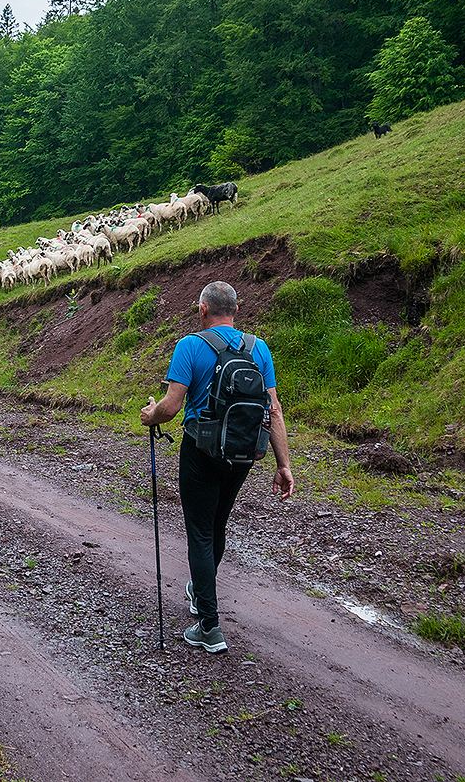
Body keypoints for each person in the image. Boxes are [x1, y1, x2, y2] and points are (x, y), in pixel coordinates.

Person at [139, 280, 294, 653]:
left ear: (203, 309)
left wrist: (150, 415)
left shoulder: (190, 346)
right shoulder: (259, 349)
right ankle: (201, 591)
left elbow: (172, 406)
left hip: (201, 451)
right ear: (236, 310)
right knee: (217, 524)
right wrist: (284, 464)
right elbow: (273, 410)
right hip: (243, 455)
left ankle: (209, 626)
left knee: (200, 533)